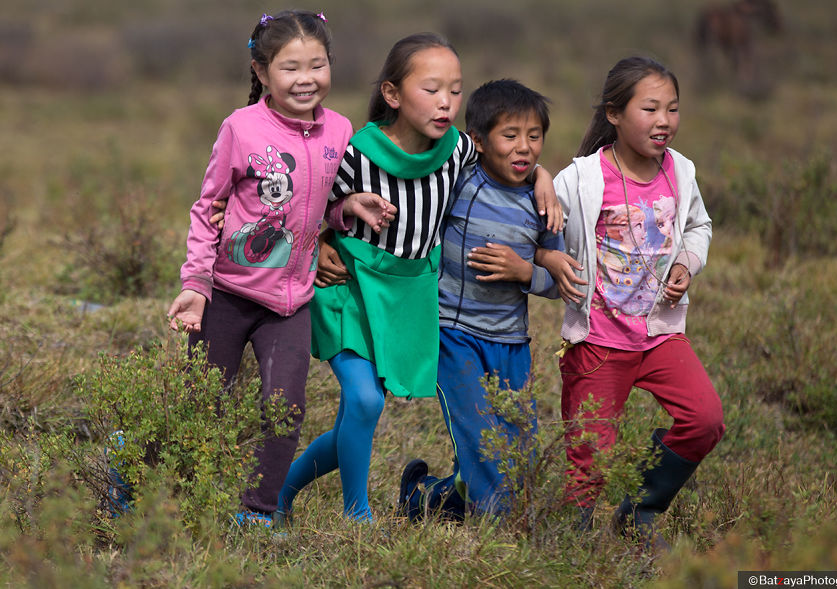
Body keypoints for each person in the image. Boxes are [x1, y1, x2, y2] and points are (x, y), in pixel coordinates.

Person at [273, 34, 562, 524]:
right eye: (431, 90)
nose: (446, 102)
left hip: (408, 296)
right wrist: (325, 235)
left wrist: (544, 177)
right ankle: (356, 513)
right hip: (351, 287)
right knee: (363, 400)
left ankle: (281, 495)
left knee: (355, 421)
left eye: (455, 90)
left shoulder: (456, 152)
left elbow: (506, 159)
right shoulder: (355, 152)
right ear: (392, 94)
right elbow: (311, 206)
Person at [166, 10, 391, 527]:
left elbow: (314, 204)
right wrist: (197, 284)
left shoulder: (339, 128)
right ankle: (134, 473)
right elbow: (208, 208)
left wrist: (346, 208)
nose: (305, 78)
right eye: (290, 68)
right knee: (201, 404)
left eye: (317, 65)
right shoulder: (240, 129)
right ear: (262, 72)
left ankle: (258, 512)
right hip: (228, 292)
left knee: (284, 408)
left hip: (291, 301)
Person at [538, 56, 725, 552]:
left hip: (659, 333)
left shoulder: (680, 171)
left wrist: (687, 262)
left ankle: (641, 511)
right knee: (590, 459)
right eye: (650, 108)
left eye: (673, 108)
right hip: (598, 342)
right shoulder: (579, 180)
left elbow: (698, 226)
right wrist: (544, 261)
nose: (663, 120)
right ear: (615, 114)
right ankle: (571, 550)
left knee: (704, 419)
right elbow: (536, 233)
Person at [396, 79, 563, 521]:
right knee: (479, 437)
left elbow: (562, 280)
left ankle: (425, 499)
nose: (523, 148)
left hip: (512, 344)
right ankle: (499, 526)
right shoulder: (460, 180)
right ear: (479, 142)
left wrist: (525, 271)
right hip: (454, 335)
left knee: (517, 451)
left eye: (534, 137)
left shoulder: (544, 205)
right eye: (509, 136)